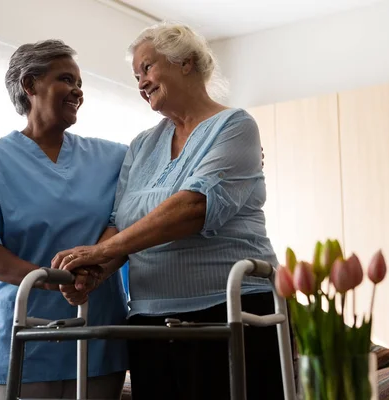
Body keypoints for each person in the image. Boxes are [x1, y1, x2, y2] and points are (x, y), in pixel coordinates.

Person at [52, 22, 285, 400]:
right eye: (136, 76)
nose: (141, 82)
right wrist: (94, 273)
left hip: (228, 311)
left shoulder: (235, 126)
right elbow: (119, 225)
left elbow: (194, 207)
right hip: (149, 321)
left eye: (147, 67)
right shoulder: (142, 145)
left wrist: (101, 253)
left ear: (187, 62)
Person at [0, 39, 129, 400]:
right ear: (29, 86)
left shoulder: (114, 158)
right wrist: (57, 281)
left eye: (80, 83)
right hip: (19, 336)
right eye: (66, 79)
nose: (78, 91)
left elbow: (164, 174)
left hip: (95, 336)